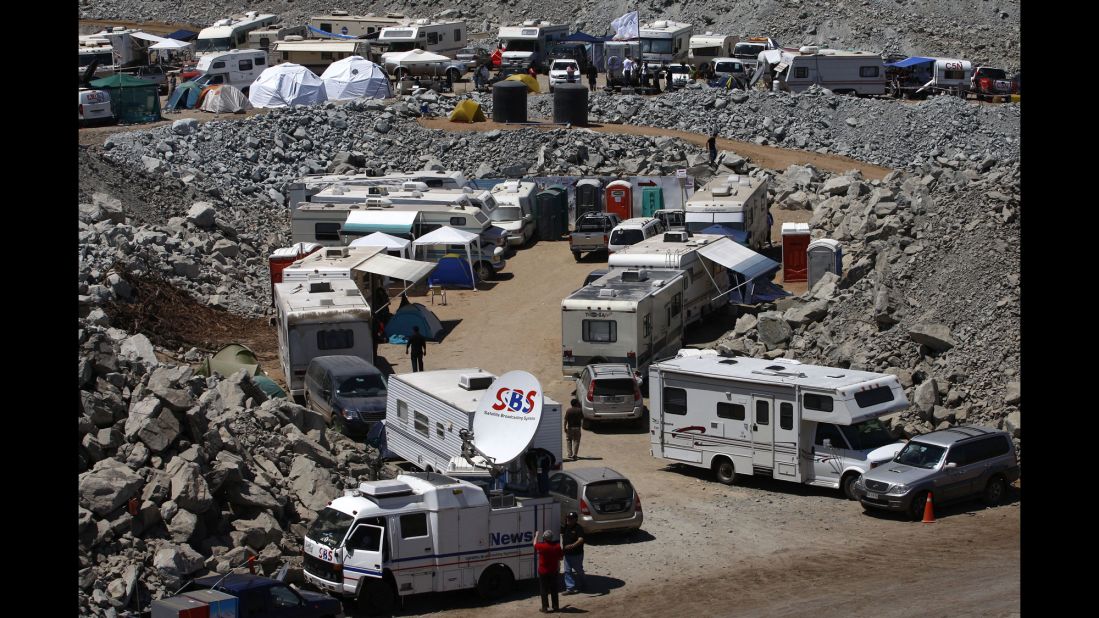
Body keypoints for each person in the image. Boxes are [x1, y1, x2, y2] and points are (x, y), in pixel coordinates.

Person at [534, 530, 563, 613]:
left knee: (544, 590)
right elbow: (561, 558)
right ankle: (556, 607)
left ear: (544, 538)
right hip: (553, 571)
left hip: (543, 572)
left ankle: (545, 608)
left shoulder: (542, 546)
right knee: (554, 589)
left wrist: (536, 535)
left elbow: (534, 544)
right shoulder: (557, 546)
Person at [560, 512, 587, 594]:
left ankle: (583, 583)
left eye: (570, 518)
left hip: (576, 554)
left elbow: (581, 539)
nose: (568, 520)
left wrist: (572, 545)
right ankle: (570, 588)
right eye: (567, 518)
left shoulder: (578, 528)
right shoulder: (566, 527)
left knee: (578, 570)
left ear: (575, 519)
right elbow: (561, 533)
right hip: (567, 554)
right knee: (567, 571)